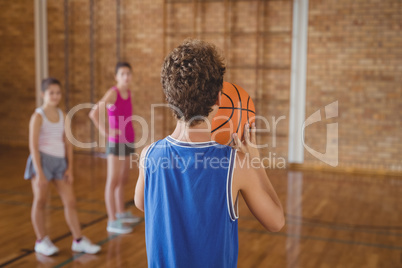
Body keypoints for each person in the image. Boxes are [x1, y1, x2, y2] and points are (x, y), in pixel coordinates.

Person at [134, 39, 285, 267]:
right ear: (218, 99)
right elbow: (276, 222)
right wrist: (255, 161)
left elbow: (141, 203)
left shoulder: (149, 155)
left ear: (169, 98)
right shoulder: (235, 164)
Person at [24, 77, 101, 256]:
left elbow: (68, 144)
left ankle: (78, 240)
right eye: (51, 93)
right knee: (40, 201)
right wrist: (40, 173)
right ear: (43, 94)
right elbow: (33, 146)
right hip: (42, 162)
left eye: (58, 93)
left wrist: (69, 168)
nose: (55, 96)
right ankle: (41, 240)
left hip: (60, 163)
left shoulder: (63, 115)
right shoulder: (38, 116)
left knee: (70, 202)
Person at [89, 62, 140, 234]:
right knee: (113, 180)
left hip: (128, 140)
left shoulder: (129, 92)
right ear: (116, 77)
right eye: (122, 74)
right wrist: (106, 131)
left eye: (128, 73)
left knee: (123, 178)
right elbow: (94, 113)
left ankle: (120, 212)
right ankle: (112, 220)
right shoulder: (113, 93)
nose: (126, 76)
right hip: (116, 142)